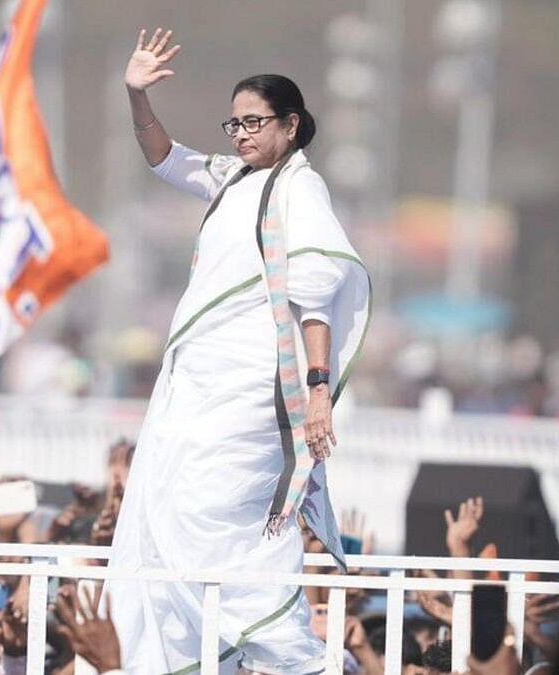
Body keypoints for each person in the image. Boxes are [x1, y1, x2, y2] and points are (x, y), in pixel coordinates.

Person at [107, 28, 372, 674]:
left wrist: (317, 391)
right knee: (166, 505)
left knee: (212, 510)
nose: (241, 134)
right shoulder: (233, 179)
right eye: (234, 123)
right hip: (197, 384)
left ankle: (296, 658)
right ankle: (205, 659)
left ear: (291, 124)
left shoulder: (298, 189)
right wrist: (136, 94)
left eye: (254, 122)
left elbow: (316, 291)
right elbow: (163, 154)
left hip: (254, 388)